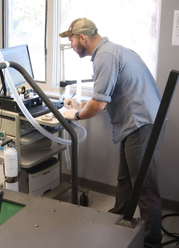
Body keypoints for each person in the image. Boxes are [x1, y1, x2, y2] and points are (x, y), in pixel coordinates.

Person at [60, 18, 162, 248]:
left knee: (145, 186)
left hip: (141, 123)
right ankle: (119, 219)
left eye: (71, 39)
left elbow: (98, 105)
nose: (71, 44)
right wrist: (78, 106)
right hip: (137, 122)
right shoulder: (112, 50)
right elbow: (106, 95)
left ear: (82, 38)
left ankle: (151, 243)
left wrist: (74, 116)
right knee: (125, 178)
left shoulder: (105, 56)